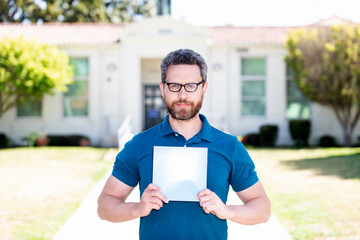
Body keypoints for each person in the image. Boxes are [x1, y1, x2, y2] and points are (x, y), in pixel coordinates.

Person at [97, 49, 271, 240]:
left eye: (191, 85)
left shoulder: (229, 146)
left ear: (204, 88)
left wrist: (227, 211)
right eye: (174, 85)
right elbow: (105, 207)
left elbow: (262, 209)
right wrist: (137, 208)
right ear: (162, 88)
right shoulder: (139, 145)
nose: (182, 94)